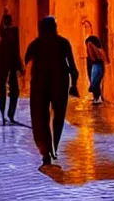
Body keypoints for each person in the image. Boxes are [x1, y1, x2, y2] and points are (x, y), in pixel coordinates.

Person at [25, 16, 79, 167]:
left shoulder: (35, 45)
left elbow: (26, 61)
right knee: (58, 117)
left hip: (39, 85)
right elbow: (74, 69)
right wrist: (73, 84)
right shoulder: (63, 44)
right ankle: (54, 147)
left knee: (40, 118)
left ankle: (45, 151)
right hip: (60, 84)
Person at [0, 13, 23, 124]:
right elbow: (16, 50)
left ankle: (4, 114)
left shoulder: (4, 38)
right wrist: (19, 66)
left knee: (4, 90)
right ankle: (8, 114)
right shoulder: (13, 33)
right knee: (13, 92)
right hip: (10, 65)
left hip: (6, 66)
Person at [85, 35, 108, 104]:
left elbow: (92, 57)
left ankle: (97, 99)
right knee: (96, 83)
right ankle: (97, 98)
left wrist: (90, 58)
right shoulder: (99, 48)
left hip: (95, 65)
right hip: (100, 65)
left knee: (94, 84)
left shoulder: (89, 44)